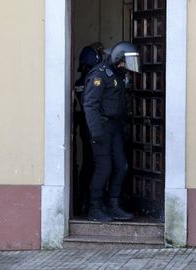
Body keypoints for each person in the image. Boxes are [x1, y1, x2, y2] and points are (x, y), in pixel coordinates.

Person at [83, 41, 141, 222]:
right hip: (101, 128)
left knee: (122, 166)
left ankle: (113, 205)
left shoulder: (116, 74)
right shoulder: (99, 75)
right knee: (104, 168)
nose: (127, 67)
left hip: (114, 128)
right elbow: (90, 105)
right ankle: (95, 207)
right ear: (118, 59)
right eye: (125, 62)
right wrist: (96, 132)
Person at [73, 44, 103, 216]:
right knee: (95, 164)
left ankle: (85, 199)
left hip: (85, 128)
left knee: (89, 164)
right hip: (93, 128)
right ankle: (91, 201)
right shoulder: (92, 81)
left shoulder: (79, 83)